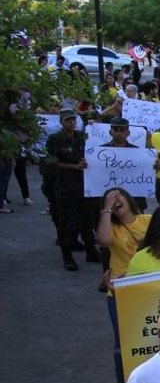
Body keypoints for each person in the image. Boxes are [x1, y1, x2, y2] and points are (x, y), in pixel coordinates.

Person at [97, 187, 150, 383]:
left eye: (119, 195)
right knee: (122, 341)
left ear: (129, 198)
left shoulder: (147, 220)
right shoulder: (111, 227)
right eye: (110, 198)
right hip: (120, 289)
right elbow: (103, 240)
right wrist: (107, 210)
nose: (115, 199)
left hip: (148, 287)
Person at [44, 109, 97, 271]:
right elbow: (51, 162)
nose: (71, 123)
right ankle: (67, 256)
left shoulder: (81, 136)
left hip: (84, 186)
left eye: (73, 120)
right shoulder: (55, 139)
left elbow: (94, 148)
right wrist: (74, 166)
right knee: (65, 223)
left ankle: (91, 251)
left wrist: (95, 126)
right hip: (64, 186)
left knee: (87, 221)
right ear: (61, 122)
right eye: (68, 120)